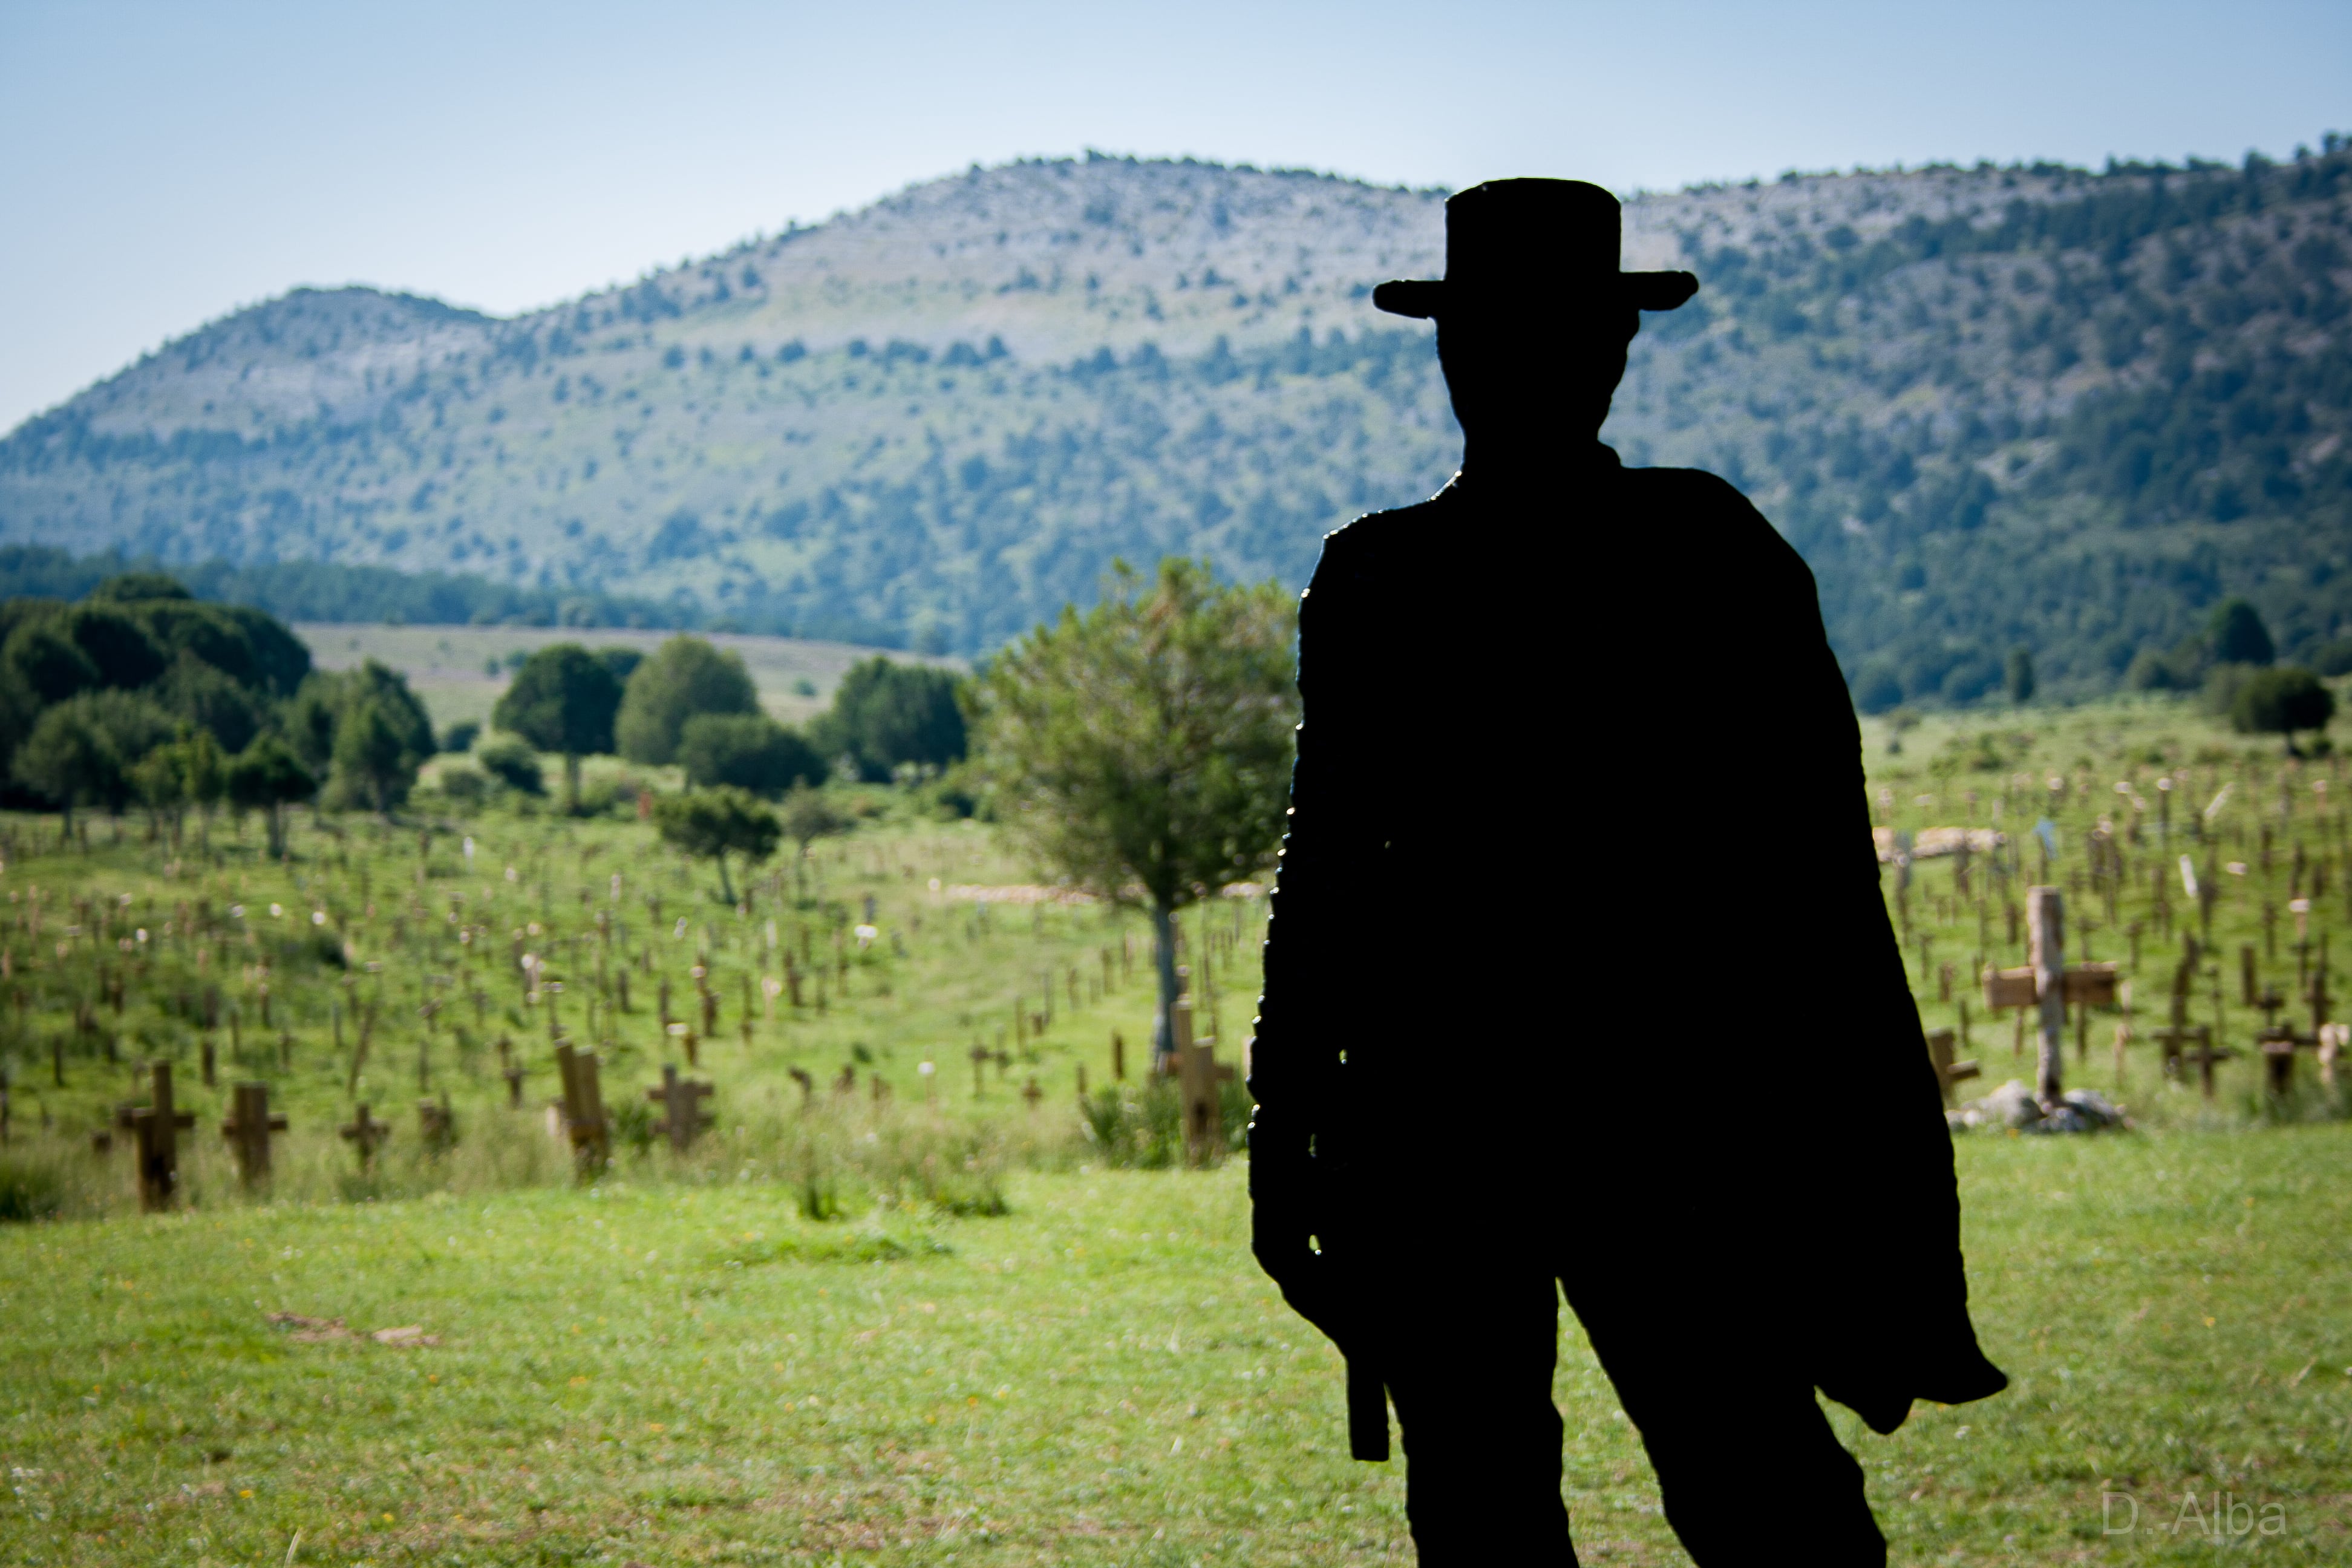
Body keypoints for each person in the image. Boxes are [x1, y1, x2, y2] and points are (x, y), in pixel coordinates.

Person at [1246, 178, 2007, 1566]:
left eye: (1526, 337)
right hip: (1602, 1123)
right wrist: (1282, 1127)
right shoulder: (1688, 553)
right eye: (1486, 337)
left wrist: (1283, 1130)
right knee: (1691, 1486)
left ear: (1605, 353)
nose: (1502, 364)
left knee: (1695, 1487)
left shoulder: (1421, 574)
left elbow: (1329, 878)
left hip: (1579, 1124)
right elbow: (1330, 867)